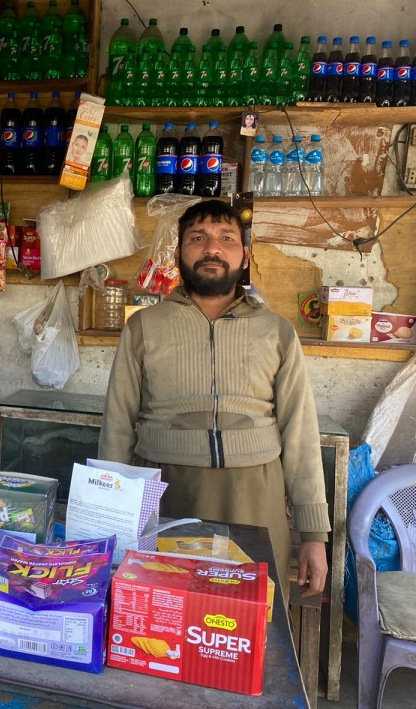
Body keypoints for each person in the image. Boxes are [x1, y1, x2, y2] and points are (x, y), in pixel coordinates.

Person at [98, 199, 330, 600]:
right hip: (166, 489)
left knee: (253, 619)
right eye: (198, 238)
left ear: (244, 258)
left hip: (255, 494)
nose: (212, 249)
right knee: (162, 614)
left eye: (227, 239)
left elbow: (300, 432)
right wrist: (108, 514)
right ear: (178, 254)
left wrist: (313, 534)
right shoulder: (144, 327)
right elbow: (117, 424)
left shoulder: (276, 331)